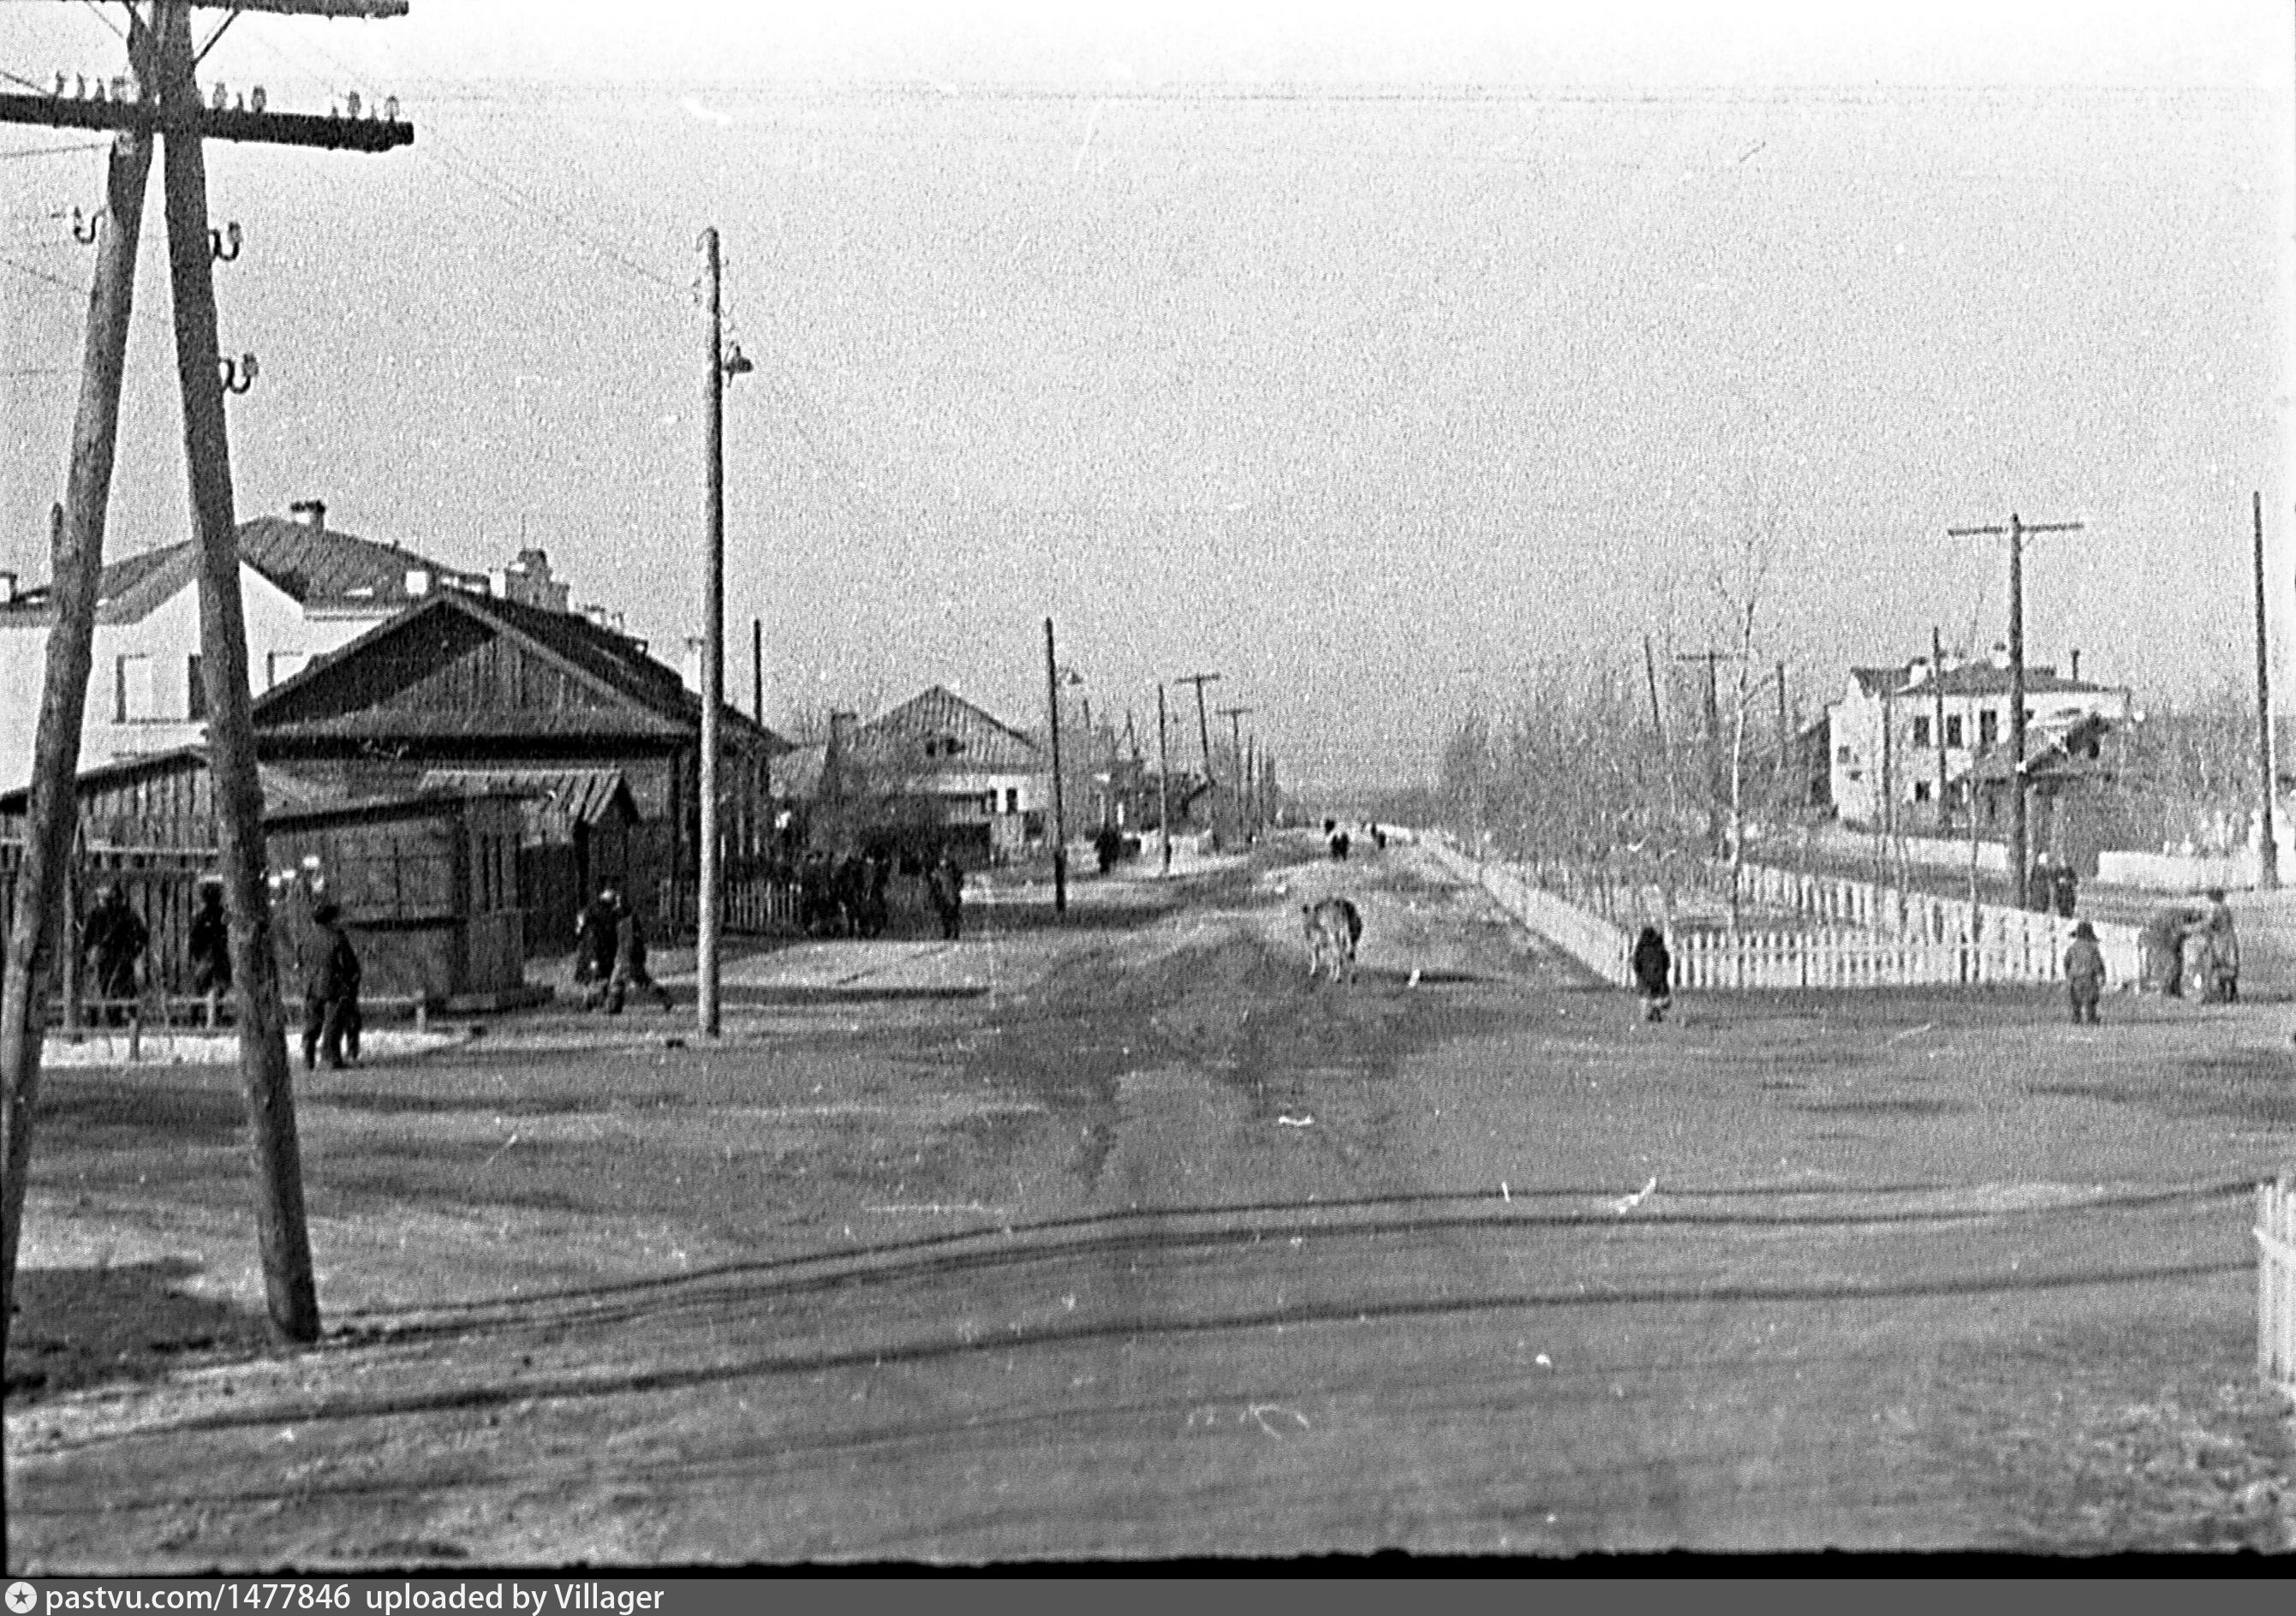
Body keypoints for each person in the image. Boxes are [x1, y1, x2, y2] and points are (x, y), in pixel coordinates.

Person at [297, 900, 359, 1070]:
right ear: (331, 919)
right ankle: (331, 1058)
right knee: (333, 1023)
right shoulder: (337, 939)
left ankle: (308, 1056)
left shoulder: (306, 938)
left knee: (312, 1022)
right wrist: (351, 984)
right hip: (334, 985)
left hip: (311, 985)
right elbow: (349, 965)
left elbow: (300, 962)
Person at [81, 883, 147, 1026]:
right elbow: (88, 937)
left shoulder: (127, 915)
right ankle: (115, 1020)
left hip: (122, 956)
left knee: (122, 987)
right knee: (108, 987)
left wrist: (134, 950)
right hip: (106, 956)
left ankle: (130, 1020)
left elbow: (142, 936)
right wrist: (89, 953)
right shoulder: (96, 915)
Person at [604, 890, 672, 1014]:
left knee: (616, 982)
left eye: (618, 903)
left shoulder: (625, 921)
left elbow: (628, 941)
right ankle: (665, 998)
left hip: (626, 957)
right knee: (642, 981)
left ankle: (613, 1008)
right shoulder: (629, 919)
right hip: (633, 956)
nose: (616, 906)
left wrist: (625, 956)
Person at [187, 880, 230, 1026]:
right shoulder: (223, 915)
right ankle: (213, 1017)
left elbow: (194, 938)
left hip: (208, 956)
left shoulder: (202, 916)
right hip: (218, 956)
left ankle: (196, 1018)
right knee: (217, 988)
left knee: (200, 987)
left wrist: (197, 954)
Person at [2138, 901, 2205, 996]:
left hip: (2164, 945)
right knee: (2171, 967)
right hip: (2164, 945)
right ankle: (2168, 990)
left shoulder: (2170, 916)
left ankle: (2171, 989)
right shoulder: (2175, 918)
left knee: (2173, 966)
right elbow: (2182, 931)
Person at [2198, 888, 2239, 1005]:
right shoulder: (2225, 907)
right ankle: (2231, 995)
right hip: (2228, 939)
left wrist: (2191, 929)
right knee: (2229, 967)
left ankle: (2214, 995)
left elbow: (2209, 924)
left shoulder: (2215, 908)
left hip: (2219, 941)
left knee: (2213, 966)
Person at [2064, 919, 2106, 1024]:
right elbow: (2098, 963)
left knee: (2076, 1000)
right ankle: (2091, 1018)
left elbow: (2067, 962)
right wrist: (2102, 975)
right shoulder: (2092, 948)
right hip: (2089, 977)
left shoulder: (2072, 948)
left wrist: (2068, 975)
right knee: (2090, 1000)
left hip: (2075, 977)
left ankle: (2076, 1018)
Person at [1631, 925, 1673, 1023]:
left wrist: (1639, 974)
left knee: (1645, 996)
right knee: (1659, 995)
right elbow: (1667, 962)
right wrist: (1663, 972)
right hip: (1659, 976)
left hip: (1644, 976)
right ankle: (1656, 1012)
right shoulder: (1660, 948)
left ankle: (1646, 1015)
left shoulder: (1640, 948)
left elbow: (1636, 964)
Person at [927, 852, 966, 941]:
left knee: (954, 915)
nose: (943, 862)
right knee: (944, 916)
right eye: (942, 861)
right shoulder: (937, 872)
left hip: (953, 896)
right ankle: (947, 932)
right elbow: (934, 885)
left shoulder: (955, 871)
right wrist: (934, 894)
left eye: (945, 860)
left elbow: (960, 882)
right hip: (942, 897)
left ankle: (956, 932)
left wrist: (956, 889)